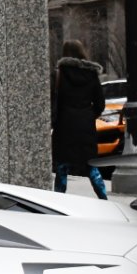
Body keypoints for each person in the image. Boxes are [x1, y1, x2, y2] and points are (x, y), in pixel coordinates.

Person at [50, 39, 109, 199]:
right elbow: (100, 103)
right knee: (90, 163)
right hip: (85, 125)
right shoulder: (91, 74)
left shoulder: (59, 74)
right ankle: (103, 197)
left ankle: (59, 198)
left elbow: (52, 100)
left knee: (62, 165)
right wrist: (89, 116)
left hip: (64, 124)